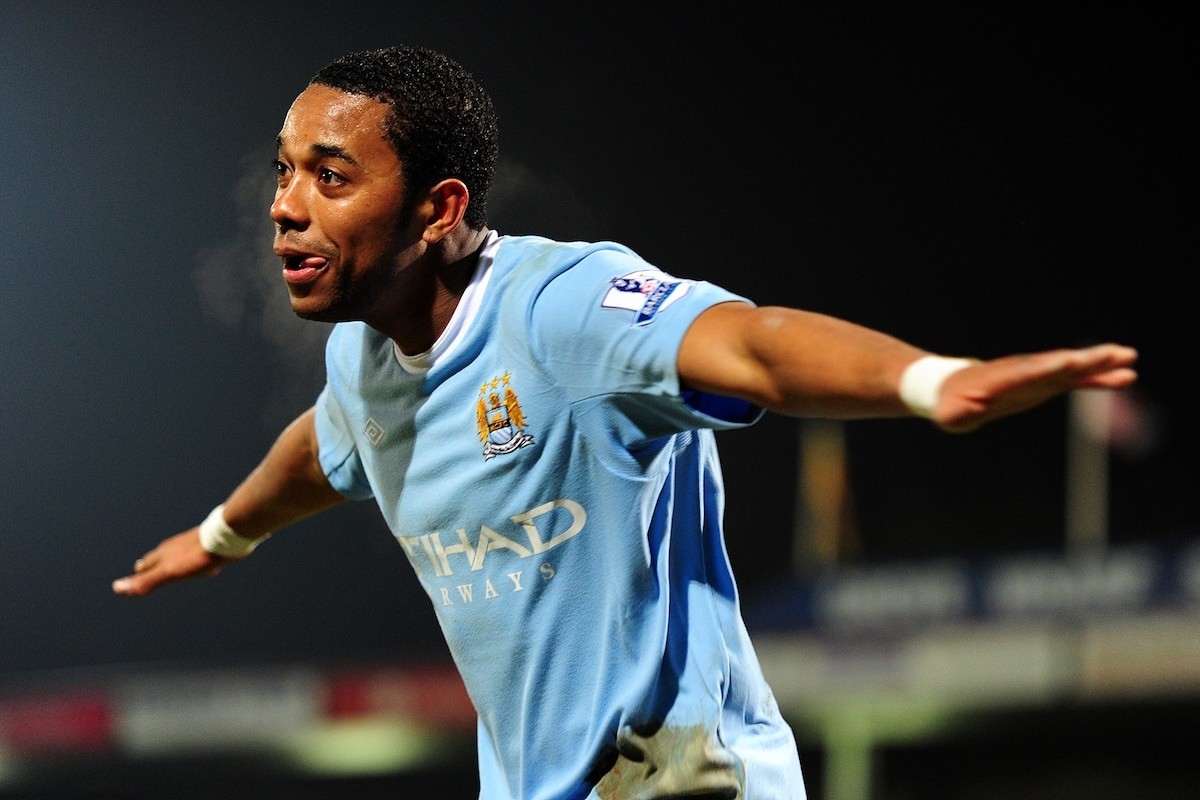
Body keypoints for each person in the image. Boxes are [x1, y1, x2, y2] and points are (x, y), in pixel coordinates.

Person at [111, 45, 1138, 800]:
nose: (287, 203)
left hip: (682, 777)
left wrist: (929, 380)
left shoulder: (562, 307)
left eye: (330, 176)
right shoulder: (363, 359)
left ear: (438, 207)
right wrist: (221, 536)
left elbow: (757, 344)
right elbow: (327, 444)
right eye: (287, 168)